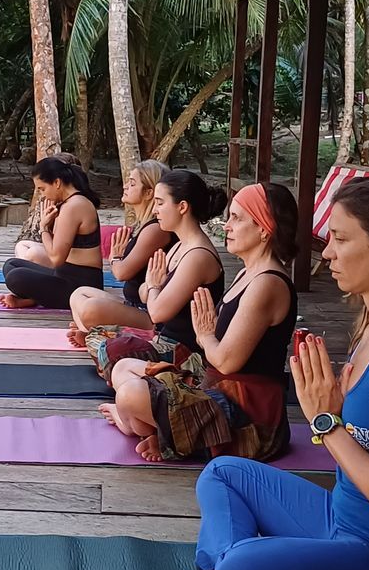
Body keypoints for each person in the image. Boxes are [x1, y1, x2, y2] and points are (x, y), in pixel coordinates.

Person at [176, 175, 369, 570]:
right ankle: (227, 566)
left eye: (341, 239)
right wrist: (340, 412)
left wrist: (326, 421)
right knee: (223, 473)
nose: (327, 253)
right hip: (339, 516)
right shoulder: (368, 328)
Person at [105, 182, 299, 462]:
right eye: (229, 216)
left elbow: (226, 362)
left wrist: (206, 335)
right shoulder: (249, 274)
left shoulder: (267, 283)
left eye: (237, 218)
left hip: (248, 416)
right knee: (124, 368)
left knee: (129, 396)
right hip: (216, 388)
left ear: (263, 228)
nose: (226, 226)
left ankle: (152, 429)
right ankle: (162, 431)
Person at [88, 168, 226, 388]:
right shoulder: (180, 245)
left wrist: (153, 286)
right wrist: (152, 289)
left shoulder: (198, 256)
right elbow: (144, 294)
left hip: (185, 353)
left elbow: (157, 311)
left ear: (182, 207)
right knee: (97, 336)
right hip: (160, 338)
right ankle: (134, 377)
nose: (155, 210)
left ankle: (145, 380)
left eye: (160, 203)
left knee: (110, 349)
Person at [67, 160, 171, 347]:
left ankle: (98, 334)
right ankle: (93, 333)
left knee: (90, 309)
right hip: (133, 304)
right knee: (78, 294)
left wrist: (115, 256)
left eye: (132, 183)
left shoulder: (156, 229)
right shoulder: (143, 225)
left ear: (149, 193)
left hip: (150, 314)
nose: (125, 186)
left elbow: (122, 273)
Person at [0, 157, 103, 310]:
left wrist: (43, 228)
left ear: (57, 183)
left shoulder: (75, 206)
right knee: (11, 265)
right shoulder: (68, 204)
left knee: (16, 278)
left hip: (81, 286)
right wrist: (51, 223)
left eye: (42, 189)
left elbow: (56, 258)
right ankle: (33, 298)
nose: (42, 194)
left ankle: (33, 299)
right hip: (64, 274)